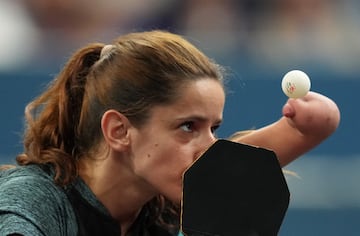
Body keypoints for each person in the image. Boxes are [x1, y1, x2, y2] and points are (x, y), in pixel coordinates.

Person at [0, 30, 340, 236]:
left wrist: (306, 126)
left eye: (214, 128)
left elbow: (239, 161)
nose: (210, 146)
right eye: (188, 126)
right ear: (119, 131)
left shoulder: (160, 201)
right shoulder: (35, 201)